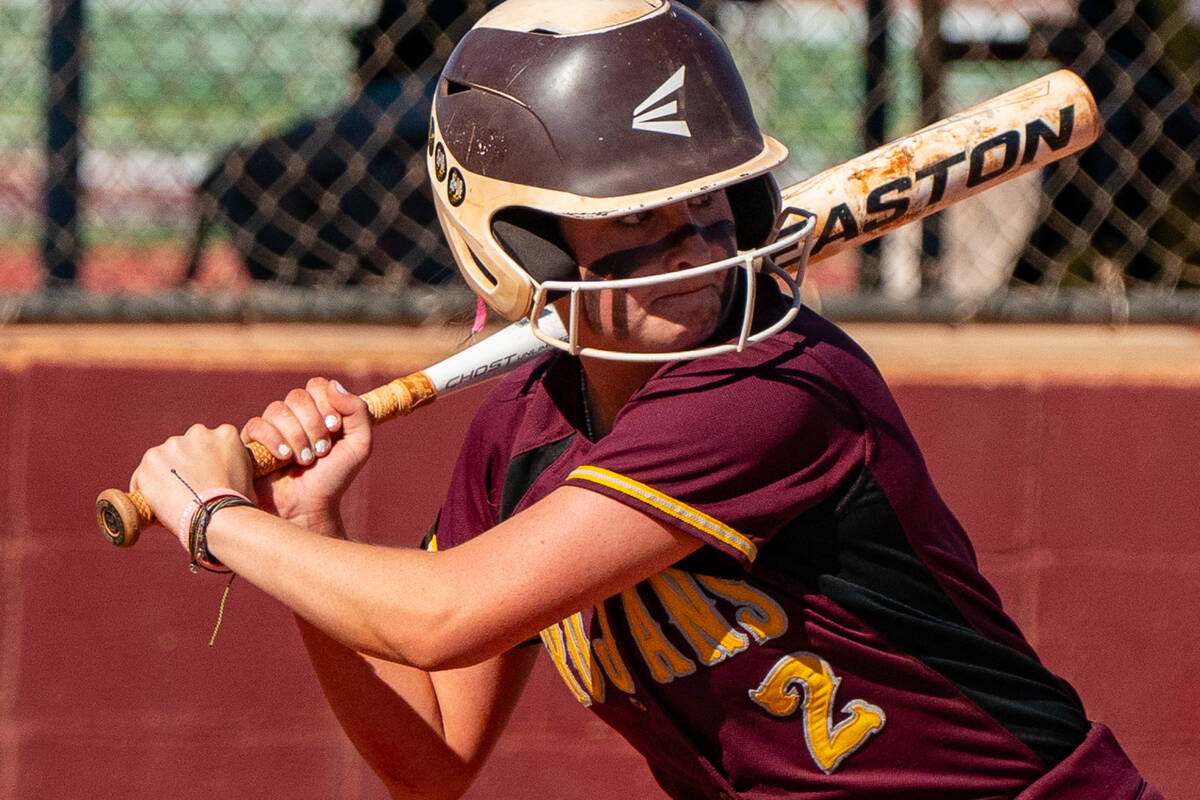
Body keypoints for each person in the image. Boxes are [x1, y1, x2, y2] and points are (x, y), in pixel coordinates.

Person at [130, 1, 1161, 797]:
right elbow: (430, 755)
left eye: (706, 204)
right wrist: (314, 518)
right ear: (514, 244)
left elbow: (446, 613)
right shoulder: (520, 436)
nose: (693, 252)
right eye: (635, 218)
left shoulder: (772, 387)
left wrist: (219, 524)